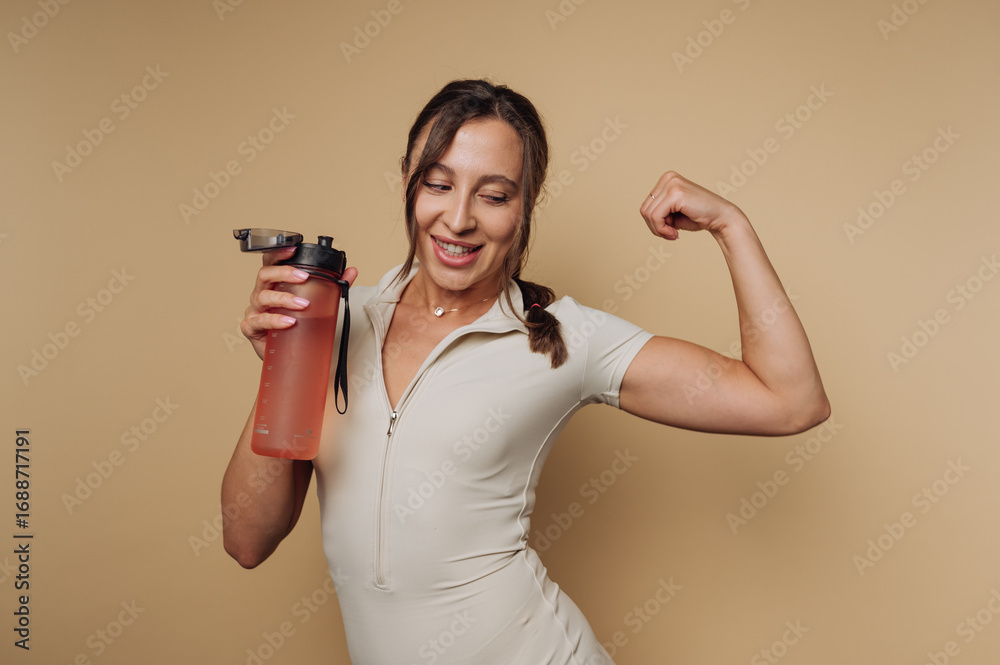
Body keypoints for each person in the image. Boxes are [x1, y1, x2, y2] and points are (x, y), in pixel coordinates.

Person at [222, 79, 830, 664]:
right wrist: (285, 363)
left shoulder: (565, 339)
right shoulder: (333, 322)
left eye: (494, 196)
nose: (459, 219)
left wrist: (730, 226)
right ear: (407, 180)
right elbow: (247, 541)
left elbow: (790, 401)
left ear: (525, 205)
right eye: (438, 184)